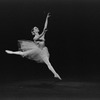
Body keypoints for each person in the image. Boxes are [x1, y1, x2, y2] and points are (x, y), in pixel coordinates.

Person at [5, 13, 62, 80]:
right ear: (34, 31)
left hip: (43, 50)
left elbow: (45, 27)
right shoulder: (35, 38)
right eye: (35, 28)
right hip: (37, 50)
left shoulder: (42, 34)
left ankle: (55, 74)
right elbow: (40, 36)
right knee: (23, 53)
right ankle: (12, 52)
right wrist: (44, 32)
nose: (37, 28)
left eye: (37, 27)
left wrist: (47, 18)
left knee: (48, 63)